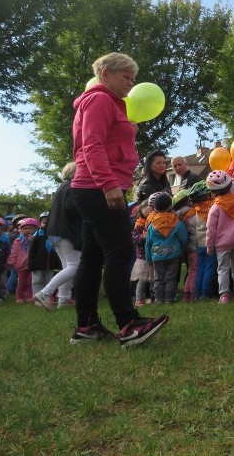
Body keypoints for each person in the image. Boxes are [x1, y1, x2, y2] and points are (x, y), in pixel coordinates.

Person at [70, 52, 167, 347]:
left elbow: (105, 142)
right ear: (105, 75)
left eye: (133, 78)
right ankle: (129, 324)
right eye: (125, 76)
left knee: (92, 258)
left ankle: (86, 326)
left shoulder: (110, 104)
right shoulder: (99, 100)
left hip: (92, 186)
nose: (131, 83)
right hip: (99, 187)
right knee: (120, 253)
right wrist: (109, 184)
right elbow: (92, 145)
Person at [34, 162, 83, 309]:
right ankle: (44, 293)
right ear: (74, 173)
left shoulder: (62, 187)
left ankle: (64, 299)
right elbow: (72, 208)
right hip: (66, 232)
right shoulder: (72, 187)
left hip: (55, 232)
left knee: (67, 266)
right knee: (75, 265)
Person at [205, 170, 234, 303]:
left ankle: (224, 295)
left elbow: (210, 230)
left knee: (223, 269)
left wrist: (209, 246)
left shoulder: (215, 208)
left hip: (222, 244)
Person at [145, 193, 187, 305]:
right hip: (174, 255)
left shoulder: (152, 225)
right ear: (170, 207)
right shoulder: (177, 222)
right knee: (170, 278)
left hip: (157, 256)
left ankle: (158, 299)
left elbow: (148, 243)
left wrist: (149, 259)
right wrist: (182, 251)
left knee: (158, 279)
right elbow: (183, 239)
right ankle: (169, 299)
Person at [27, 215, 61, 308]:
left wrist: (58, 264)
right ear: (40, 223)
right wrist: (30, 264)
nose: (46, 225)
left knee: (49, 281)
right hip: (37, 264)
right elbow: (32, 252)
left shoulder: (55, 236)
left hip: (50, 264)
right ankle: (37, 298)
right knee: (37, 281)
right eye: (44, 222)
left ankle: (46, 298)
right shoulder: (37, 236)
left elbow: (58, 252)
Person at [8, 218, 38, 304]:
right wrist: (11, 262)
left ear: (35, 229)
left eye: (30, 228)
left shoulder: (36, 240)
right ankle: (19, 296)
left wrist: (32, 240)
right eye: (25, 228)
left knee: (30, 281)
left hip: (32, 264)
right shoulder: (18, 240)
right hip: (21, 264)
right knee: (21, 281)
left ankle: (29, 296)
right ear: (21, 229)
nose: (27, 230)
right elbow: (14, 251)